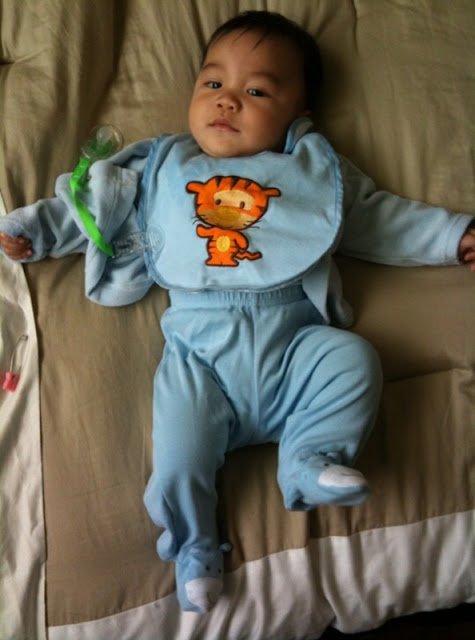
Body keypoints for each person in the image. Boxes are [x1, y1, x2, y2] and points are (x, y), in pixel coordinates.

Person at [1, 10, 474, 614]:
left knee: (354, 360)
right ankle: (195, 547)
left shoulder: (313, 175)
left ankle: (309, 459)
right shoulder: (164, 167)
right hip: (199, 359)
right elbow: (95, 207)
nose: (227, 100)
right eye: (213, 82)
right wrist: (36, 232)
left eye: (257, 91)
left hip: (296, 347)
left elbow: (382, 218)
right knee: (178, 455)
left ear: (298, 113)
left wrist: (454, 237)